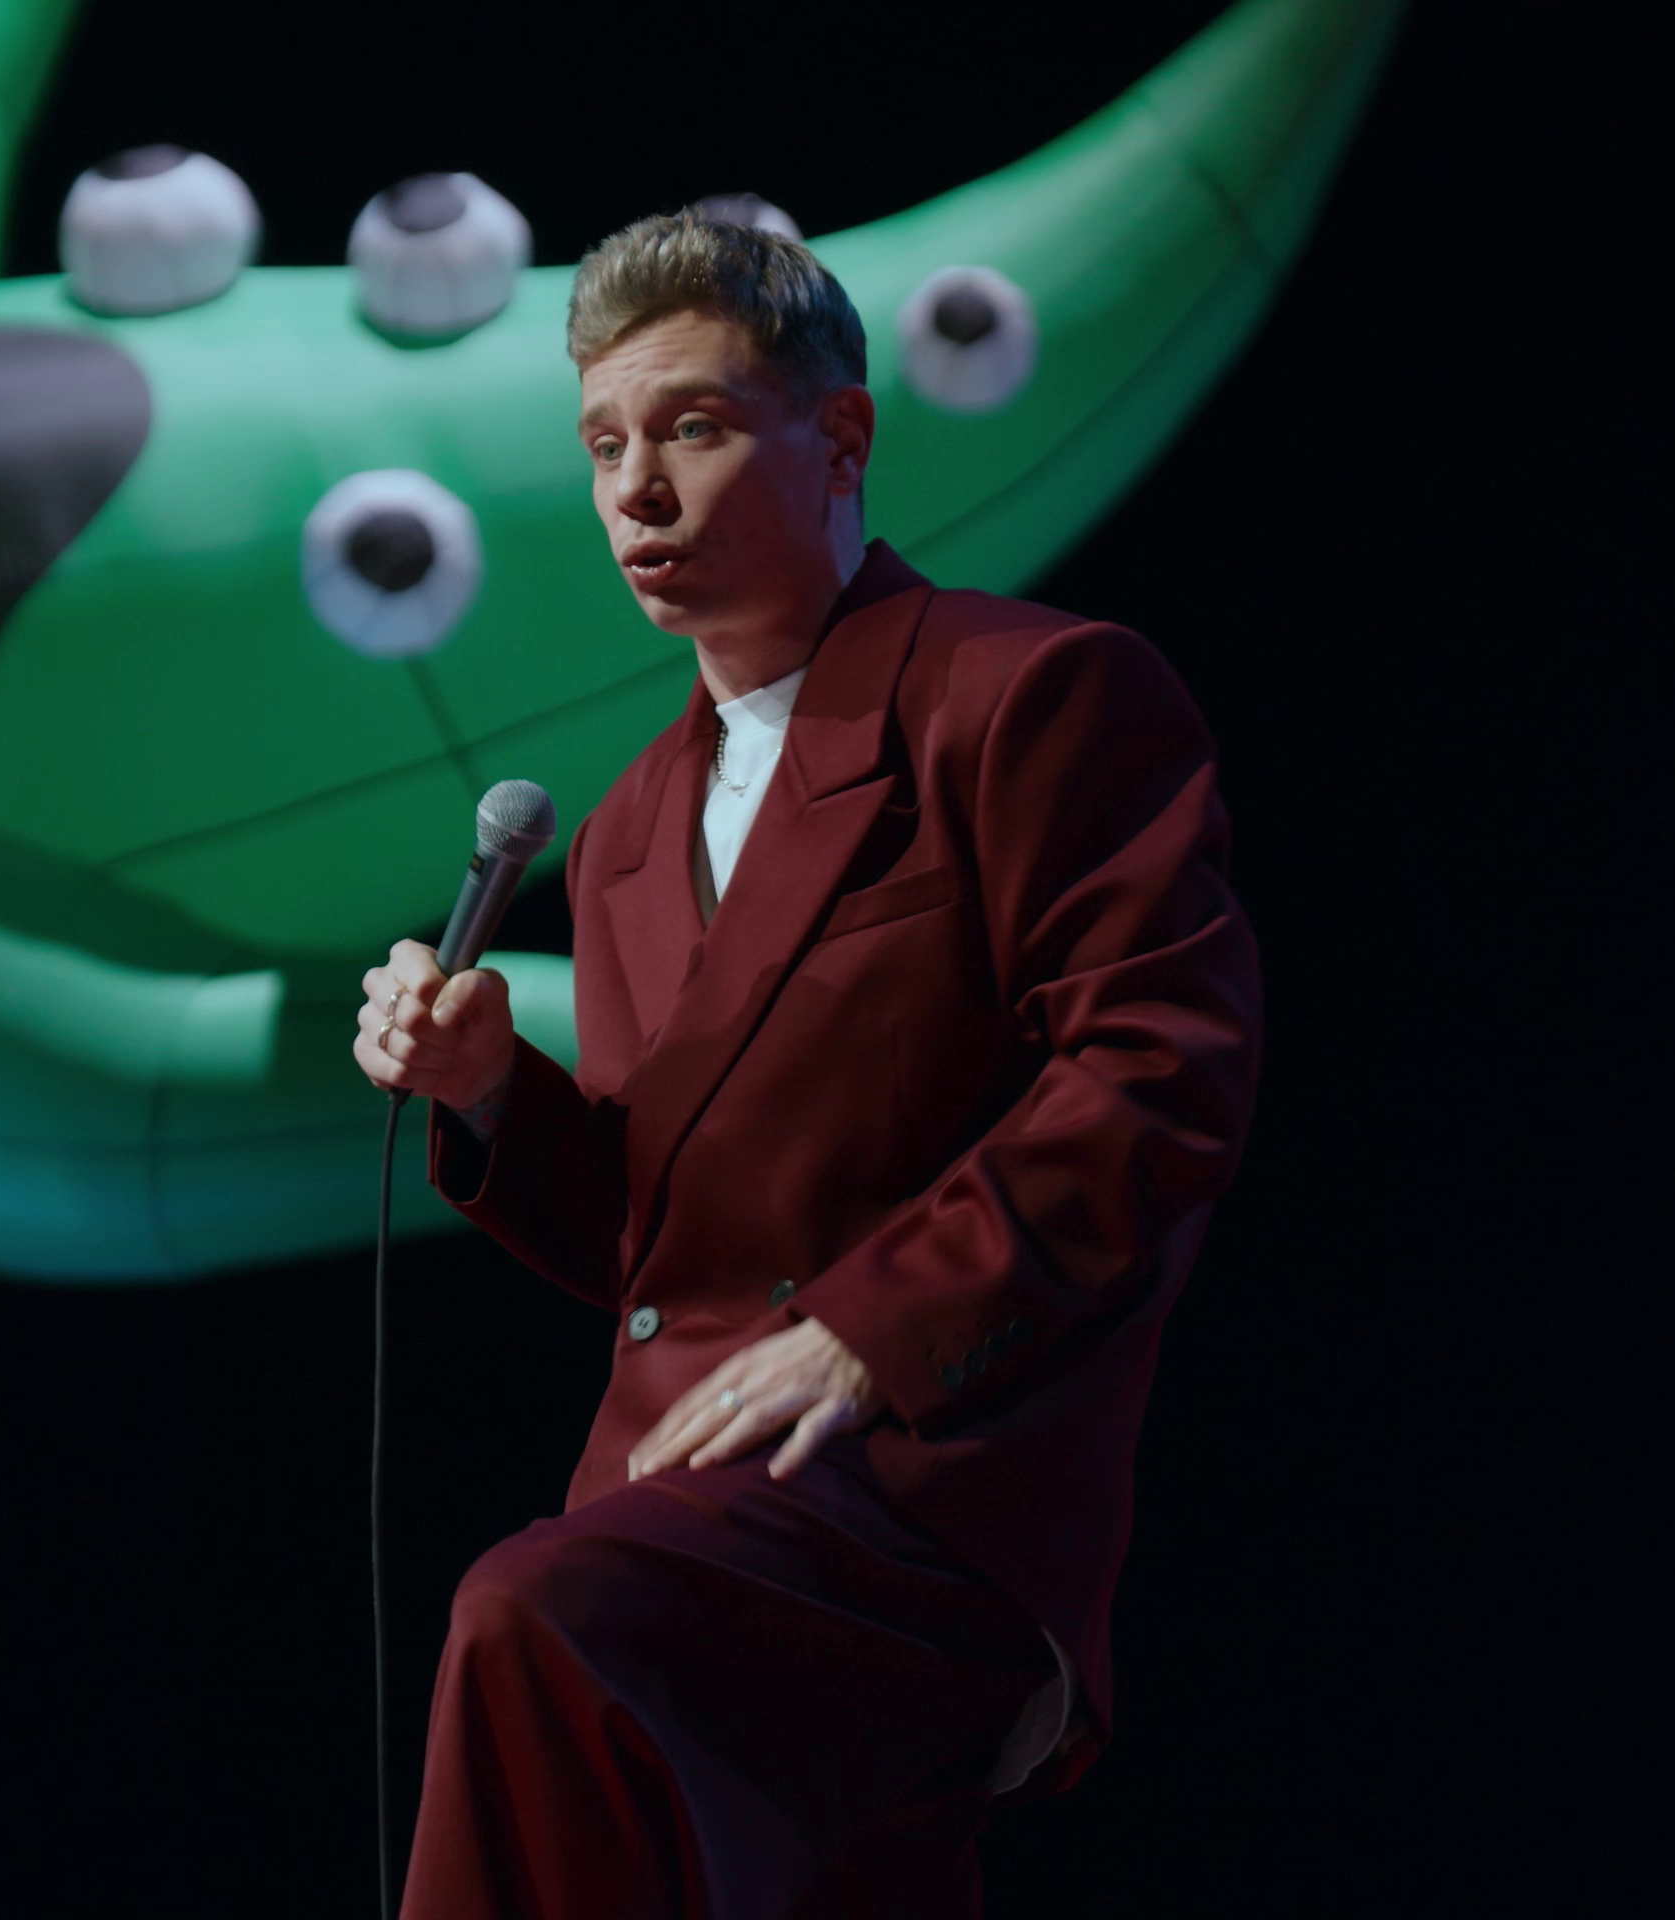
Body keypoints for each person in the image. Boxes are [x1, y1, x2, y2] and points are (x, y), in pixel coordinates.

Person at [351, 210, 1264, 1919]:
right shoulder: (624, 835)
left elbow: (1160, 1070)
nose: (636, 491)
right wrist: (488, 1095)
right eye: (603, 446)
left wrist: (869, 1328)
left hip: (920, 1476)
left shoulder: (1024, 696)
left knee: (530, 1617)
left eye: (691, 428)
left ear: (841, 439)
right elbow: (667, 1238)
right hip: (693, 1497)